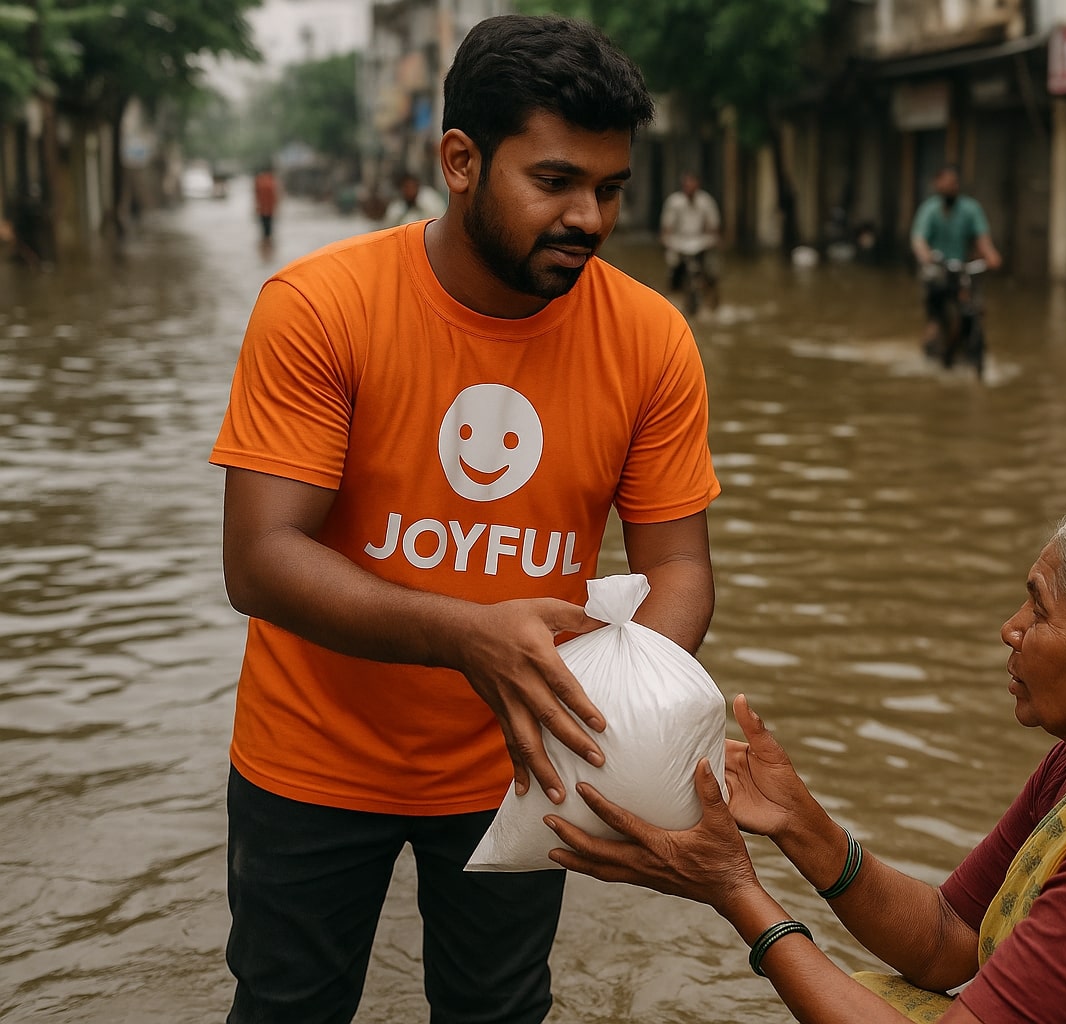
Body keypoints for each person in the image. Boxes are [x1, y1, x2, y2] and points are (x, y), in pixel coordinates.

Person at [209, 14, 719, 1024]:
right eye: (556, 181)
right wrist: (468, 634)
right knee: (286, 1005)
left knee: (499, 1009)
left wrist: (610, 720)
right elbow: (260, 560)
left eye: (611, 189)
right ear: (459, 160)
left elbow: (681, 571)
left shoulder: (651, 338)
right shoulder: (321, 307)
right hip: (312, 751)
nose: (590, 217)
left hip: (520, 764)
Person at [547, 504, 1066, 1024]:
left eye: (1038, 610)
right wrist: (803, 826)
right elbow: (953, 941)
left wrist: (737, 892)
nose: (1010, 630)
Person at [909, 166, 1002, 360]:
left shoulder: (970, 208)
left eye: (953, 184)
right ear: (937, 185)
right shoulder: (930, 209)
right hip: (938, 269)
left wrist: (991, 254)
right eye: (946, 184)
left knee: (975, 306)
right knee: (937, 310)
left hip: (962, 269)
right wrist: (926, 256)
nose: (950, 187)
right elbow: (919, 239)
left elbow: (982, 238)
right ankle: (933, 337)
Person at [659, 171, 721, 302]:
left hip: (701, 243)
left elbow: (713, 227)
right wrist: (667, 241)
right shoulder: (674, 202)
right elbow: (666, 229)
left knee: (712, 272)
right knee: (673, 269)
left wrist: (713, 240)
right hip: (679, 244)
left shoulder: (706, 202)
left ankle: (713, 300)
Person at [382, 169, 448, 226]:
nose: (410, 191)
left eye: (412, 187)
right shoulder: (396, 209)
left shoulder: (430, 200)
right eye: (406, 188)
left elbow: (440, 218)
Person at [252, 165, 278, 246]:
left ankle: (266, 240)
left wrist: (256, 206)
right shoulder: (272, 180)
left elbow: (256, 194)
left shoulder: (259, 180)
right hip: (268, 207)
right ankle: (268, 240)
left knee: (264, 224)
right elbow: (276, 195)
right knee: (268, 224)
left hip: (263, 207)